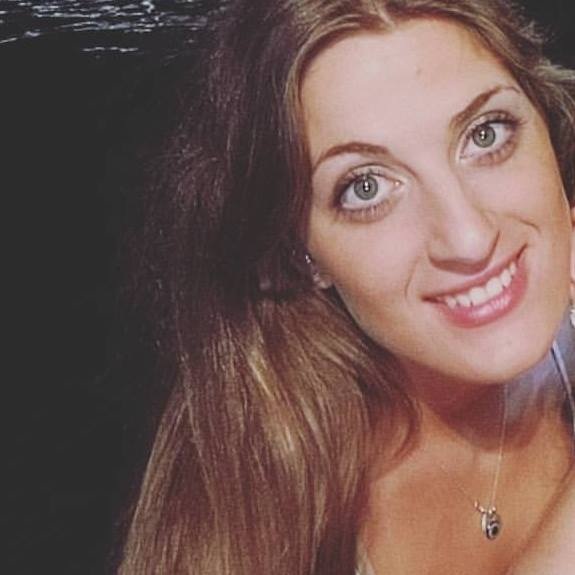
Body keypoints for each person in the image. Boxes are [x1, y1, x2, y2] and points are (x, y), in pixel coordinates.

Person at [118, 1, 575, 573]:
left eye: (486, 134)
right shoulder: (252, 508)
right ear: (298, 253)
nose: (470, 238)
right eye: (366, 188)